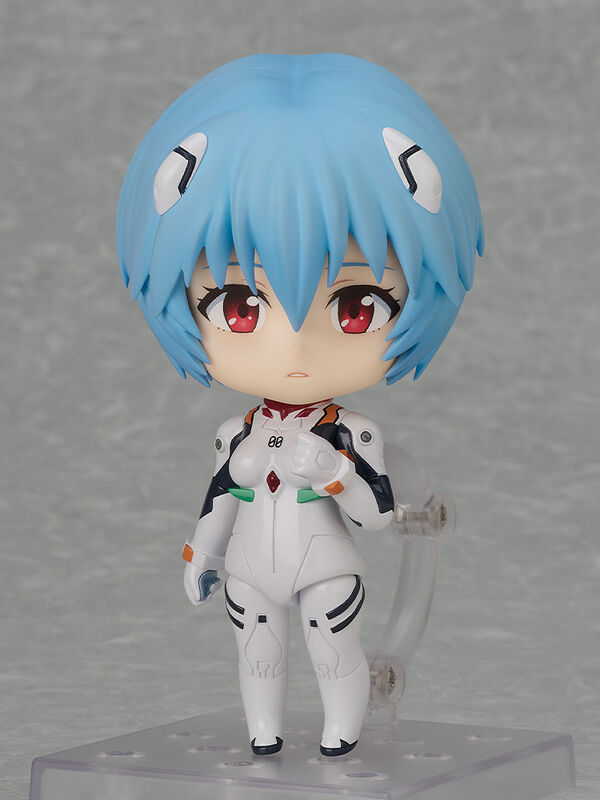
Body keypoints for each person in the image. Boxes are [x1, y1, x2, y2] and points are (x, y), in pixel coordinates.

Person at [116, 53, 483, 757]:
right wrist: (199, 554)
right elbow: (219, 499)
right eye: (240, 306)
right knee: (256, 652)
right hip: (250, 566)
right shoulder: (235, 433)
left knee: (333, 647)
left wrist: (335, 473)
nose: (294, 346)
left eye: (356, 306)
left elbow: (379, 516)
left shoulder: (354, 434)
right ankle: (264, 736)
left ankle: (342, 735)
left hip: (325, 565)